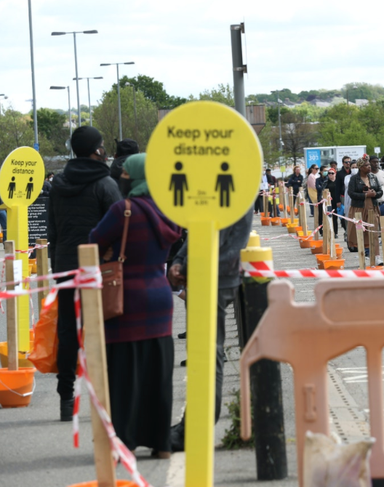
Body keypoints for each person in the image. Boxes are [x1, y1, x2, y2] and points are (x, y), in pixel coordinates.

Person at [88, 154, 181, 458]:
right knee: (158, 371)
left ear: (135, 177)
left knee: (124, 373)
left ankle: (124, 440)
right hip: (160, 297)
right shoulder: (168, 210)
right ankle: (160, 443)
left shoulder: (123, 210)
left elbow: (94, 241)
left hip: (125, 298)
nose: (122, 177)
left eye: (125, 173)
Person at [48, 126, 123, 421]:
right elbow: (120, 224)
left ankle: (67, 398)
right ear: (95, 150)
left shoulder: (58, 184)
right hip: (98, 267)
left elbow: (53, 229)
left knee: (68, 331)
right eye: (102, 145)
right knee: (105, 329)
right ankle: (105, 397)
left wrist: (56, 263)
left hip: (66, 265)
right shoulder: (105, 184)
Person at [168, 209, 253, 451]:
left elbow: (225, 239)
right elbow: (199, 230)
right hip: (206, 272)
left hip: (216, 276)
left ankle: (197, 428)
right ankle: (192, 424)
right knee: (202, 350)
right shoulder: (215, 186)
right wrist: (179, 261)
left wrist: (186, 264)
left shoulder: (237, 189)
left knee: (207, 351)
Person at [346, 156, 382, 255]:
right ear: (361, 167)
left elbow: (380, 191)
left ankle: (375, 255)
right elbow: (351, 193)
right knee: (360, 232)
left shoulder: (373, 177)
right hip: (359, 208)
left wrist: (375, 194)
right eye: (366, 165)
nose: (369, 167)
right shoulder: (354, 179)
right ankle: (363, 254)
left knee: (373, 231)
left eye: (369, 165)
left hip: (372, 208)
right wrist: (365, 195)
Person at [320, 168, 342, 239]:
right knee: (328, 217)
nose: (330, 175)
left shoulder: (338, 182)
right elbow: (322, 191)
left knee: (335, 218)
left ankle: (335, 232)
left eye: (332, 173)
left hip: (336, 201)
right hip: (328, 202)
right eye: (329, 173)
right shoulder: (326, 182)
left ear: (335, 174)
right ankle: (328, 231)